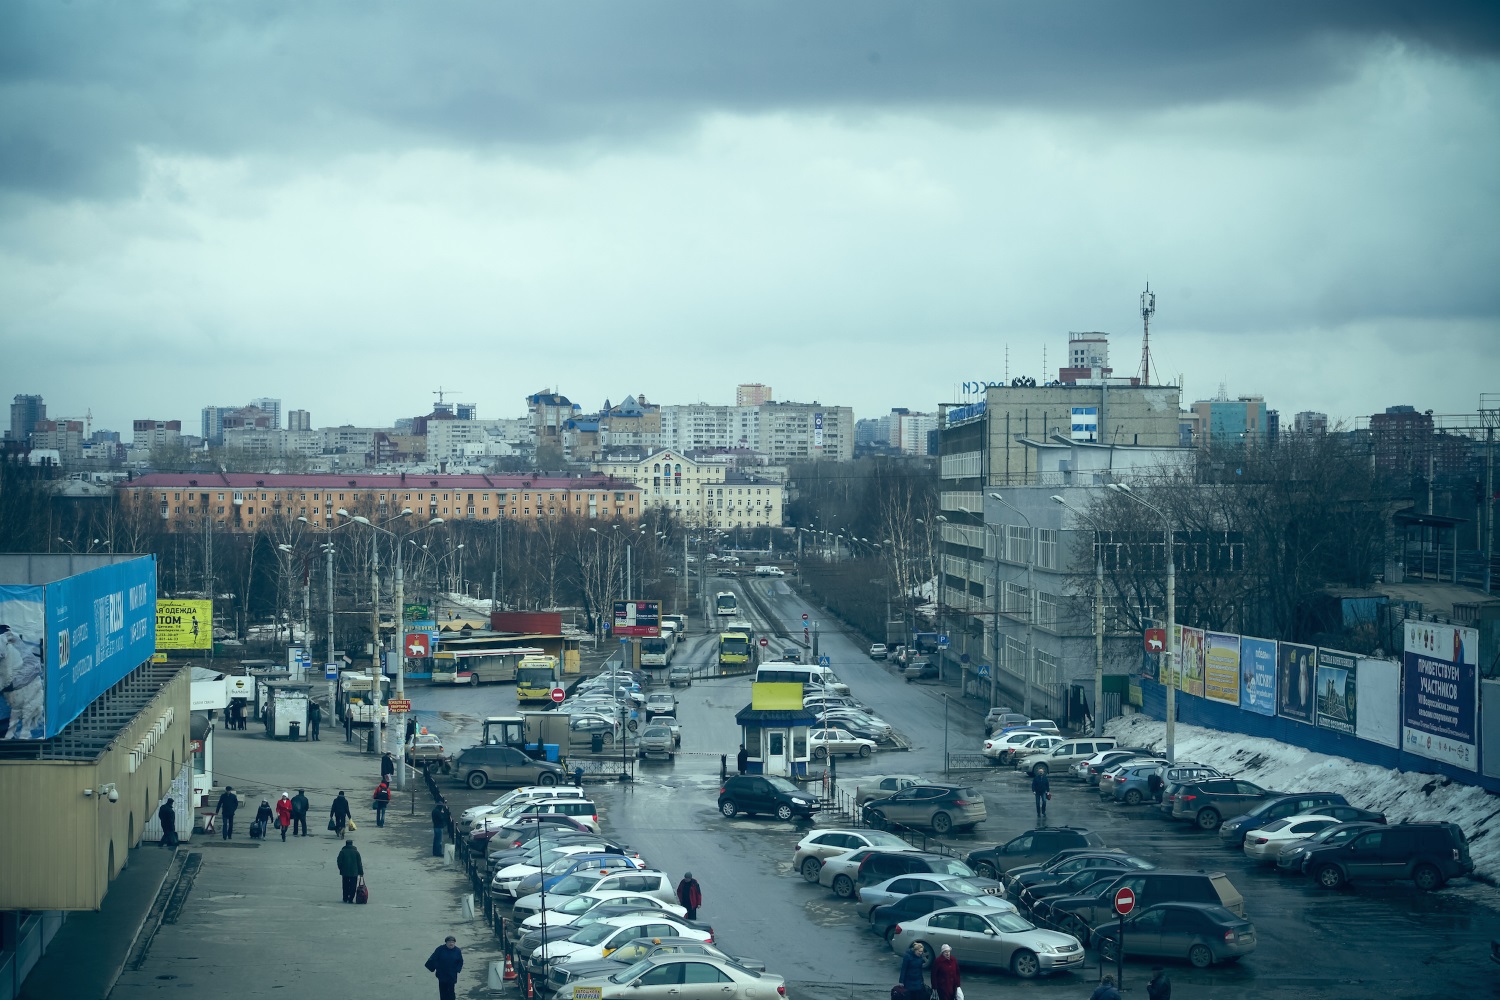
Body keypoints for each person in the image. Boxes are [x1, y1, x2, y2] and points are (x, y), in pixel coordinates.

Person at [424, 935, 464, 1000]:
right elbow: (434, 958)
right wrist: (436, 967)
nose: (451, 943)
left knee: (451, 991)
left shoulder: (457, 951)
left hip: (452, 974)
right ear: (446, 943)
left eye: (453, 942)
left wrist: (458, 969)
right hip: (442, 974)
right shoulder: (440, 949)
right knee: (443, 991)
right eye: (449, 942)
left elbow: (460, 961)